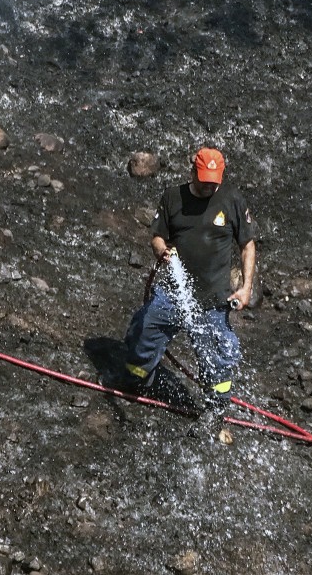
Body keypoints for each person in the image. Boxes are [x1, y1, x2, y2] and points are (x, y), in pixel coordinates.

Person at [121, 146, 257, 422]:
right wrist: (162, 251)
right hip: (174, 292)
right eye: (205, 181)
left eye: (214, 182)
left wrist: (246, 288)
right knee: (143, 331)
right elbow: (157, 236)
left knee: (216, 356)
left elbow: (247, 246)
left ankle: (215, 408)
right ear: (193, 172)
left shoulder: (231, 199)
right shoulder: (173, 197)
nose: (209, 188)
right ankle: (138, 381)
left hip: (211, 300)